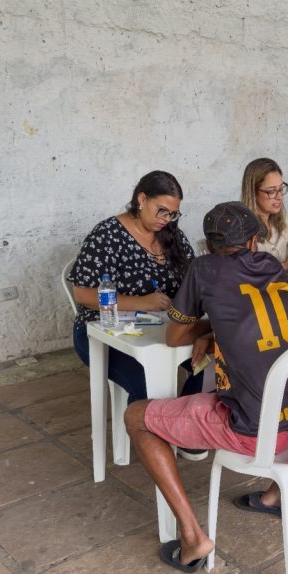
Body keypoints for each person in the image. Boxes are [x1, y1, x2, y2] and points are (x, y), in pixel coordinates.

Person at [123, 201, 288, 572]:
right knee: (271, 377)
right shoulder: (272, 265)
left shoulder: (204, 268)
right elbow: (254, 316)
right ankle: (274, 494)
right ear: (255, 240)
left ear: (207, 245)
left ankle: (193, 537)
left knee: (135, 417)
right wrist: (217, 329)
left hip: (258, 434)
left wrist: (208, 329)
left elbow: (175, 335)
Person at [68, 170, 204, 404]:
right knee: (148, 384)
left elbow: (193, 279)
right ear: (142, 199)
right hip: (106, 332)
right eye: (162, 210)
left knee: (208, 366)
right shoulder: (107, 235)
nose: (166, 219)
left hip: (162, 329)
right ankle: (156, 430)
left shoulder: (172, 234)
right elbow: (82, 294)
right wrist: (141, 303)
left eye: (173, 213)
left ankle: (181, 428)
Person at [241, 157, 288, 266]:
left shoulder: (282, 222)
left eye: (281, 189)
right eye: (271, 191)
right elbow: (248, 273)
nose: (279, 197)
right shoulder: (242, 229)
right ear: (253, 192)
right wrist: (286, 265)